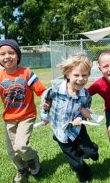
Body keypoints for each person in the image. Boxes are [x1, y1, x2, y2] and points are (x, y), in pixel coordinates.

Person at [40, 54, 99, 183]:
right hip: (60, 131)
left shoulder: (86, 95)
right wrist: (44, 116)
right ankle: (85, 176)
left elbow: (85, 109)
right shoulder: (55, 90)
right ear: (67, 74)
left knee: (91, 153)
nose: (81, 79)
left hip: (77, 129)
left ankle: (91, 150)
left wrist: (82, 116)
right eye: (76, 75)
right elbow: (45, 102)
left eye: (85, 75)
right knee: (76, 163)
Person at [0, 39, 46, 183]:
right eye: (2, 54)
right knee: (12, 151)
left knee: (21, 146)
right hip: (9, 119)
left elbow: (41, 91)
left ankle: (33, 158)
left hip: (26, 116)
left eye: (11, 53)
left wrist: (46, 102)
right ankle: (22, 168)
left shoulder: (26, 73)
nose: (7, 56)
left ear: (17, 56)